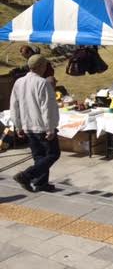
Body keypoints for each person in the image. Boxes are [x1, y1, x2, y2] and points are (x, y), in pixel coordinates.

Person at [10, 54, 60, 192]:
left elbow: (14, 105)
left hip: (28, 125)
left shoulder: (19, 82)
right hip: (41, 126)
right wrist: (50, 129)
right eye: (44, 66)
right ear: (40, 67)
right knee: (53, 154)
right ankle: (27, 175)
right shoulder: (42, 83)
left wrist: (18, 125)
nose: (45, 68)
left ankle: (41, 183)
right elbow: (47, 108)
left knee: (39, 156)